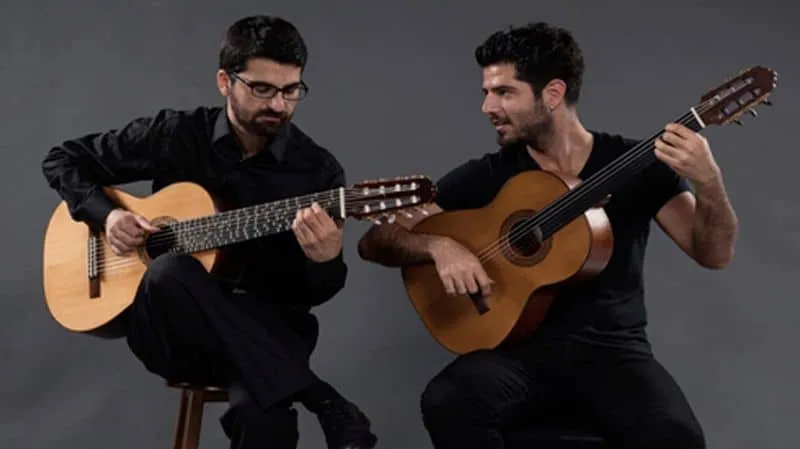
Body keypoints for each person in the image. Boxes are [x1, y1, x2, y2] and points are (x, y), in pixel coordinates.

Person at [357, 22, 738, 449]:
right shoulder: (488, 175)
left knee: (677, 438)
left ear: (553, 94)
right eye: (487, 92)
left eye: (504, 92)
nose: (487, 106)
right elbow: (375, 241)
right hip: (518, 356)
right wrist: (438, 245)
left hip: (615, 354)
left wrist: (709, 182)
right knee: (449, 399)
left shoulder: (638, 164)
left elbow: (714, 253)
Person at [41, 14, 377, 449]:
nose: (279, 105)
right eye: (262, 89)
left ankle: (305, 393)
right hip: (175, 334)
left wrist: (326, 258)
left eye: (291, 90)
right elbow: (63, 159)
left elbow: (314, 293)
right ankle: (324, 399)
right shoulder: (176, 134)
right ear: (225, 82)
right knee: (170, 270)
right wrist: (108, 217)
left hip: (269, 333)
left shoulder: (318, 172)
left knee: (266, 420)